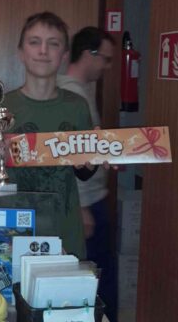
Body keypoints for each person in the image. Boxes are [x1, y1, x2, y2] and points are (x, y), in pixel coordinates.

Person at [0, 12, 96, 260]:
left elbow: (84, 172)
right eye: (34, 42)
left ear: (64, 55)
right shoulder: (0, 108)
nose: (43, 50)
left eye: (53, 43)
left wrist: (95, 158)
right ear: (21, 53)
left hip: (63, 234)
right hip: (8, 236)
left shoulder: (77, 106)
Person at [57, 26, 117, 321]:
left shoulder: (77, 91)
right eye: (105, 59)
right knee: (96, 280)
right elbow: (69, 157)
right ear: (88, 54)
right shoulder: (72, 94)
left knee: (99, 276)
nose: (107, 66)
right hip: (86, 204)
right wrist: (80, 207)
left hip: (92, 199)